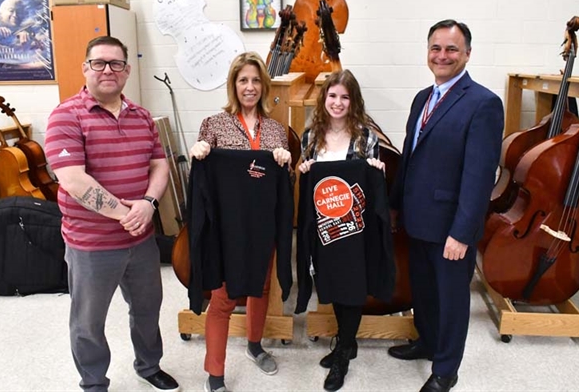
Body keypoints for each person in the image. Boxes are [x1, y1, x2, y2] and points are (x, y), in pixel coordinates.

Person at [44, 36, 180, 392]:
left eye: (116, 63)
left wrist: (148, 204)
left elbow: (159, 165)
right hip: (92, 245)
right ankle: (93, 383)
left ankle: (149, 366)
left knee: (148, 311)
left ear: (127, 70)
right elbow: (73, 179)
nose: (108, 70)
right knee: (88, 322)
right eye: (99, 63)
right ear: (85, 68)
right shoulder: (65, 115)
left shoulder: (142, 116)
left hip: (141, 240)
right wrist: (127, 213)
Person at [388, 20, 504, 392]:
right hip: (416, 218)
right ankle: (427, 342)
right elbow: (409, 156)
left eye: (451, 49)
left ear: (467, 54)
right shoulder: (423, 97)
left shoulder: (483, 103)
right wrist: (395, 206)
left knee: (452, 299)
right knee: (422, 289)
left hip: (450, 226)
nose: (442, 55)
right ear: (427, 53)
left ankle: (446, 369)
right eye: (435, 48)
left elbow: (479, 177)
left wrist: (462, 232)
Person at [188, 51, 292, 392]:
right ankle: (215, 374)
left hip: (262, 226)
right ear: (234, 85)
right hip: (226, 229)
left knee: (260, 288)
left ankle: (254, 345)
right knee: (223, 298)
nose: (250, 87)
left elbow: (283, 184)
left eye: (256, 80)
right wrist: (200, 152)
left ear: (264, 85)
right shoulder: (214, 125)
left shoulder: (276, 130)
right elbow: (204, 174)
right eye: (243, 80)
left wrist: (284, 160)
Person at [296, 69, 389, 392]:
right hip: (325, 227)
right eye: (332, 96)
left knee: (352, 284)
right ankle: (347, 342)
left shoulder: (366, 136)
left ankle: (342, 353)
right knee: (332, 282)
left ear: (354, 101)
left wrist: (377, 170)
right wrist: (303, 170)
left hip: (355, 228)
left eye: (345, 97)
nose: (338, 102)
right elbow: (305, 178)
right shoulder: (310, 136)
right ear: (324, 99)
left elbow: (373, 181)